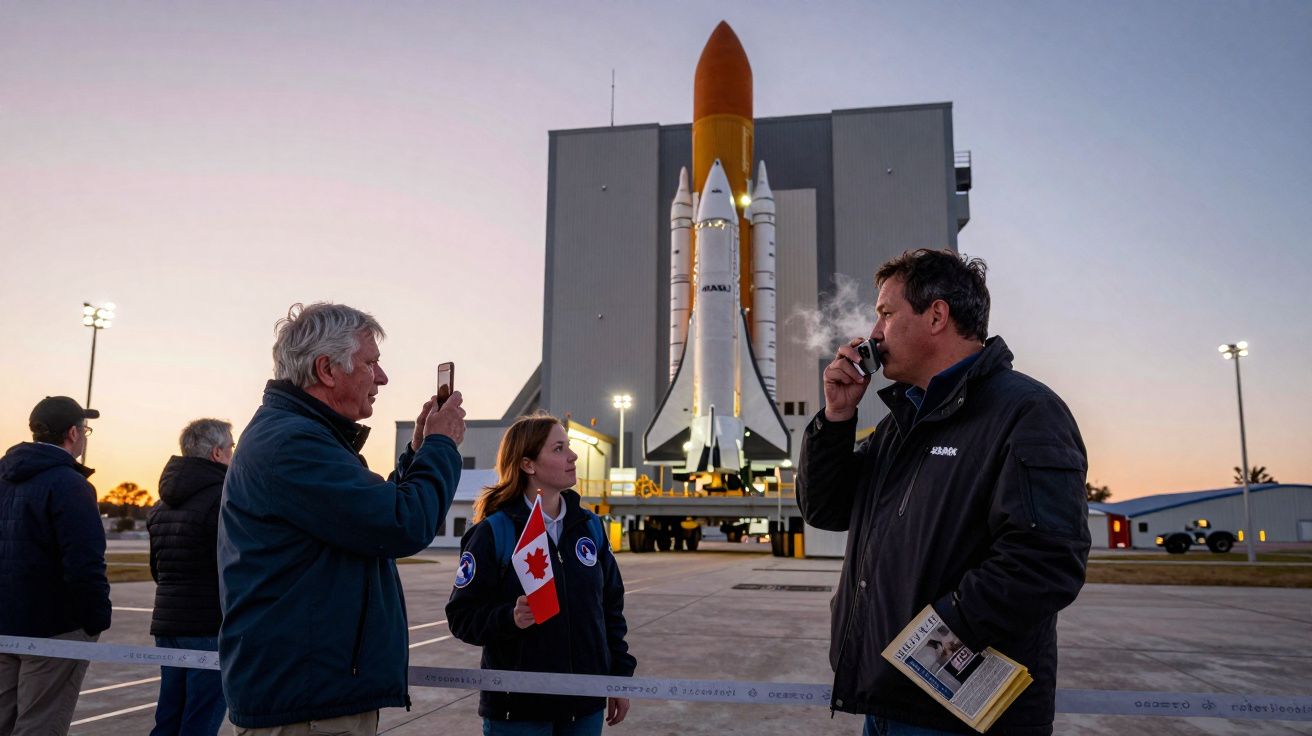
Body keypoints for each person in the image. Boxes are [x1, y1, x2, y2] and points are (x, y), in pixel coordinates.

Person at [796, 249, 1090, 736]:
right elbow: (826, 509)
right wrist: (836, 419)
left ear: (936, 315)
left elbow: (1046, 561)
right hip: (888, 702)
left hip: (956, 716)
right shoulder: (899, 428)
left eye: (886, 314)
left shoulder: (1026, 413)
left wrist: (928, 645)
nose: (873, 334)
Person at [218, 302, 466, 735]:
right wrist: (442, 448)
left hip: (313, 694)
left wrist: (418, 453)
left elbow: (369, 516)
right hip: (307, 705)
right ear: (327, 370)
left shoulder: (301, 434)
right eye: (371, 364)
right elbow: (402, 523)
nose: (383, 378)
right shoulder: (293, 443)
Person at [447, 414, 635, 735]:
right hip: (519, 710)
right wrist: (510, 617)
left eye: (569, 447)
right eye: (559, 448)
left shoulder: (589, 528)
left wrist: (618, 676)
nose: (573, 456)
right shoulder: (495, 532)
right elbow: (462, 617)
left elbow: (610, 610)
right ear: (528, 465)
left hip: (584, 706)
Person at [0, 396, 111, 736]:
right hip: (54, 629)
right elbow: (84, 562)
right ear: (74, 434)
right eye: (85, 430)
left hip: (5, 623)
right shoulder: (70, 484)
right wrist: (95, 619)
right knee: (40, 723)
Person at [146, 418, 235, 736]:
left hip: (169, 623)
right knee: (200, 719)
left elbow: (157, 569)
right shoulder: (224, 499)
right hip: (208, 625)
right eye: (231, 448)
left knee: (169, 716)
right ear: (216, 453)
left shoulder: (161, 505)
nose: (233, 454)